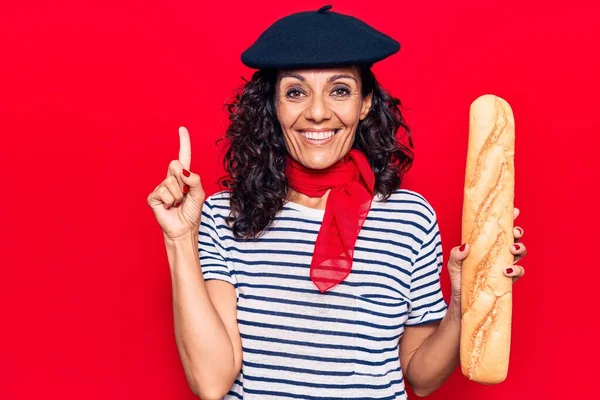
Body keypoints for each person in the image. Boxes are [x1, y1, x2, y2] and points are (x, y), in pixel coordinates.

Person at [147, 5, 527, 400]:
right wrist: (179, 239)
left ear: (364, 104)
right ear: (273, 107)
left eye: (340, 90)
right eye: (295, 92)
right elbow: (211, 382)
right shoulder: (227, 214)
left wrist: (464, 301)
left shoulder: (411, 218)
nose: (317, 112)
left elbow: (422, 377)